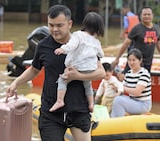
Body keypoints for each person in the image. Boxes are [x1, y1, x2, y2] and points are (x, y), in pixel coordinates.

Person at [6, 5, 105, 141]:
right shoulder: (43, 46)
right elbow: (34, 70)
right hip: (51, 112)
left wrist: (79, 76)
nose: (54, 29)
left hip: (78, 109)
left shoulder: (84, 43)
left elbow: (101, 73)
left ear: (69, 24)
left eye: (59, 25)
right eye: (51, 25)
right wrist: (15, 83)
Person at [49, 12, 105, 112]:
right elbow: (101, 54)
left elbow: (72, 45)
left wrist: (63, 49)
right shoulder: (96, 42)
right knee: (88, 85)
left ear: (85, 24)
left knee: (63, 80)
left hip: (76, 67)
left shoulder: (78, 35)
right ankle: (91, 103)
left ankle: (60, 100)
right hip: (90, 69)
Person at [112, 6, 160, 81]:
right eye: (144, 14)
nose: (147, 16)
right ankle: (118, 75)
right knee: (125, 79)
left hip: (148, 62)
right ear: (140, 16)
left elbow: (159, 43)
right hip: (134, 61)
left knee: (144, 82)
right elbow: (125, 44)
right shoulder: (136, 29)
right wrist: (117, 58)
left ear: (152, 15)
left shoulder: (156, 28)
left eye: (149, 14)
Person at [111, 48, 152, 117]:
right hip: (133, 101)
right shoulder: (129, 73)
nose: (131, 62)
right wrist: (116, 87)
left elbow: (137, 92)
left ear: (140, 60)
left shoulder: (144, 73)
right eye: (129, 60)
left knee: (118, 100)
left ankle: (116, 123)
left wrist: (122, 88)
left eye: (134, 60)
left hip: (143, 104)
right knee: (115, 97)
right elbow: (122, 89)